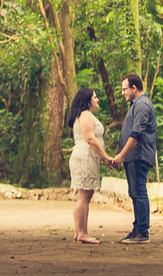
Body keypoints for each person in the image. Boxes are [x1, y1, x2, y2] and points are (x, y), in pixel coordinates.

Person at [110, 74, 156, 244]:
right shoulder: (136, 104)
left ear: (134, 88)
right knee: (135, 192)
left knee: (139, 191)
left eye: (125, 89)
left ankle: (142, 231)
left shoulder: (142, 105)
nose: (123, 93)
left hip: (139, 155)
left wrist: (122, 155)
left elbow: (137, 133)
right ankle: (137, 229)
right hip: (133, 156)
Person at [67, 87, 113, 244]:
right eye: (95, 97)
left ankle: (79, 232)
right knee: (84, 197)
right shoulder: (85, 115)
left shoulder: (85, 115)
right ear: (87, 100)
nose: (97, 99)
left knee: (83, 196)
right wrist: (106, 157)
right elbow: (90, 139)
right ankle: (82, 233)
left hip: (87, 158)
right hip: (85, 158)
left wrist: (103, 158)